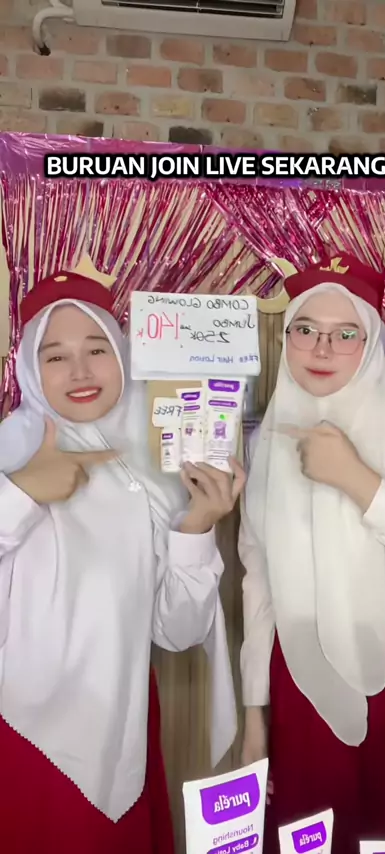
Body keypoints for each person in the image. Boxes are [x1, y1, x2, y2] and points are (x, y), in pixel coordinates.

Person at [239, 255, 385, 854]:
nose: (322, 348)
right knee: (320, 833)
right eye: (305, 329)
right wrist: (253, 719)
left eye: (345, 334)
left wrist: (359, 482)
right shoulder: (271, 435)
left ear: (370, 343)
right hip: (307, 666)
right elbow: (260, 582)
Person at [0, 270, 242, 854]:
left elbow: (177, 633)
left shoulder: (159, 466)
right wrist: (23, 490)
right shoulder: (10, 450)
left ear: (123, 354)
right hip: (20, 732)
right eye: (56, 356)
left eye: (96, 349)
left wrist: (197, 525)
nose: (80, 372)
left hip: (120, 732)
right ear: (31, 370)